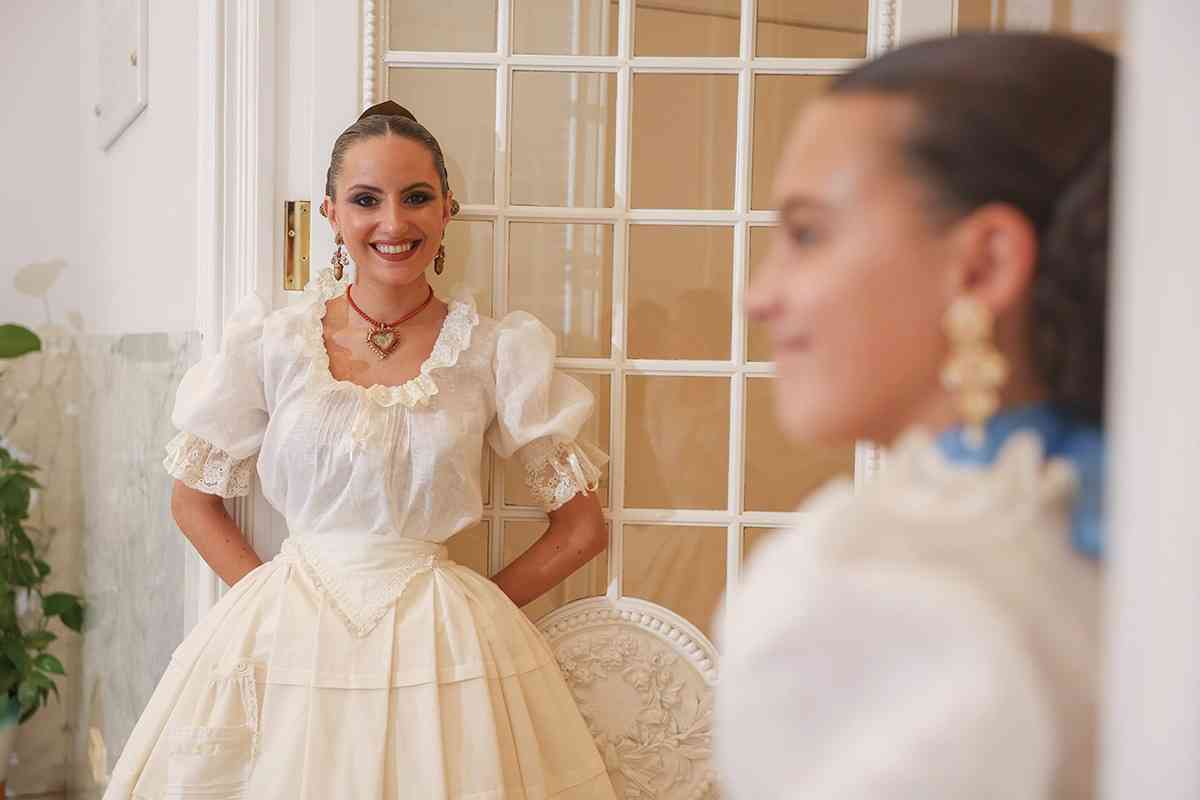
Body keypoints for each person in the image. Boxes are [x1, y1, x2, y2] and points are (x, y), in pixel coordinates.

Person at [105, 102, 617, 799]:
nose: (394, 223)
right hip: (285, 631)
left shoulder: (496, 351)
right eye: (366, 200)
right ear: (331, 214)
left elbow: (582, 529)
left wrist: (474, 616)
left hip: (438, 644)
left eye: (417, 198)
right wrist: (268, 603)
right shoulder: (273, 343)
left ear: (447, 210)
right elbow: (192, 500)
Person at [717, 33, 1112, 798]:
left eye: (807, 234)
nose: (758, 296)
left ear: (983, 265)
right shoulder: (1138, 529)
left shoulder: (863, 584)